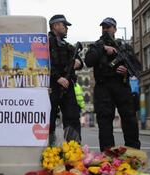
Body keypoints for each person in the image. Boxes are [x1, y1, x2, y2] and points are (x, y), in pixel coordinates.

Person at [84, 17, 141, 151]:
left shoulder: (124, 47)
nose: (105, 29)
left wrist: (126, 70)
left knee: (129, 118)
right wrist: (102, 48)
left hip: (121, 85)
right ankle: (107, 155)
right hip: (103, 87)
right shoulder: (96, 45)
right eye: (103, 27)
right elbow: (88, 61)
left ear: (115, 29)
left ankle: (133, 152)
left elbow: (137, 67)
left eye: (108, 27)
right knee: (104, 122)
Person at [48, 14, 83, 144]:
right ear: (56, 26)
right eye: (65, 26)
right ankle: (48, 150)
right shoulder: (45, 43)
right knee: (49, 118)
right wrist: (57, 78)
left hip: (68, 86)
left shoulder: (67, 46)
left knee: (72, 117)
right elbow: (42, 63)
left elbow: (80, 61)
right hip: (52, 86)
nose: (67, 29)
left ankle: (73, 150)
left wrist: (78, 63)